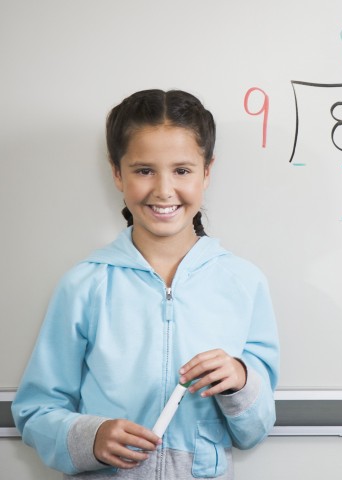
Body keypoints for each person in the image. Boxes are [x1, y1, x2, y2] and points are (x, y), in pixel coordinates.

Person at [12, 89, 279, 479]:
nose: (164, 189)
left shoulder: (244, 283)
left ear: (207, 171)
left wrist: (239, 381)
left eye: (182, 170)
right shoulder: (84, 285)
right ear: (117, 173)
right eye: (144, 170)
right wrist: (92, 436)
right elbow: (36, 411)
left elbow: (254, 431)